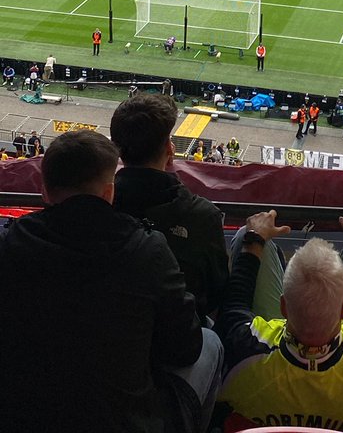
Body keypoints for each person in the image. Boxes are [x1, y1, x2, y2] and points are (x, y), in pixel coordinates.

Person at [0, 130, 224, 433]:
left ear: (45, 192)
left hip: (21, 417)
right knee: (210, 341)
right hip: (125, 422)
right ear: (109, 193)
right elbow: (185, 348)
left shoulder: (10, 243)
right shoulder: (148, 250)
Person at [217, 209, 343, 430]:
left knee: (246, 234)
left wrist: (254, 238)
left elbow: (233, 307)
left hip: (265, 374)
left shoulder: (244, 356)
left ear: (283, 307)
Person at [110, 93, 229, 323]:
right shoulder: (203, 216)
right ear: (169, 149)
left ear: (117, 149)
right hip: (182, 334)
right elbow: (216, 292)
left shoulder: (98, 208)